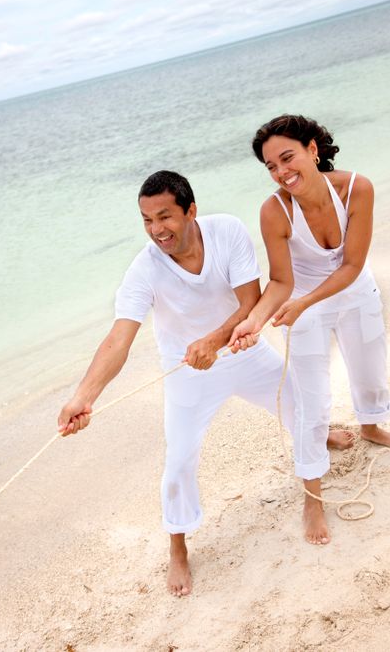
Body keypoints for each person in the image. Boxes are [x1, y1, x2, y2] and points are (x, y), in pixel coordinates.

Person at [58, 170, 296, 597]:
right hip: (187, 370)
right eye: (147, 220)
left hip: (240, 349)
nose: (156, 230)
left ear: (191, 211)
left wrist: (214, 340)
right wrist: (83, 397)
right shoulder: (143, 269)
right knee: (179, 463)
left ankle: (321, 436)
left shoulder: (227, 231)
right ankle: (179, 548)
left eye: (165, 217)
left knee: (300, 402)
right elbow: (118, 339)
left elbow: (249, 303)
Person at [229, 114, 390, 546]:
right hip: (303, 305)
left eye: (286, 157)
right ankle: (312, 494)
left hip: (350, 291)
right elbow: (281, 282)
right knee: (312, 400)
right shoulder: (274, 211)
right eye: (271, 166)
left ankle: (370, 426)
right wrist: (251, 321)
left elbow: (351, 265)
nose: (280, 172)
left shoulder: (356, 188)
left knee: (369, 370)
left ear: (313, 149)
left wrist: (303, 303)